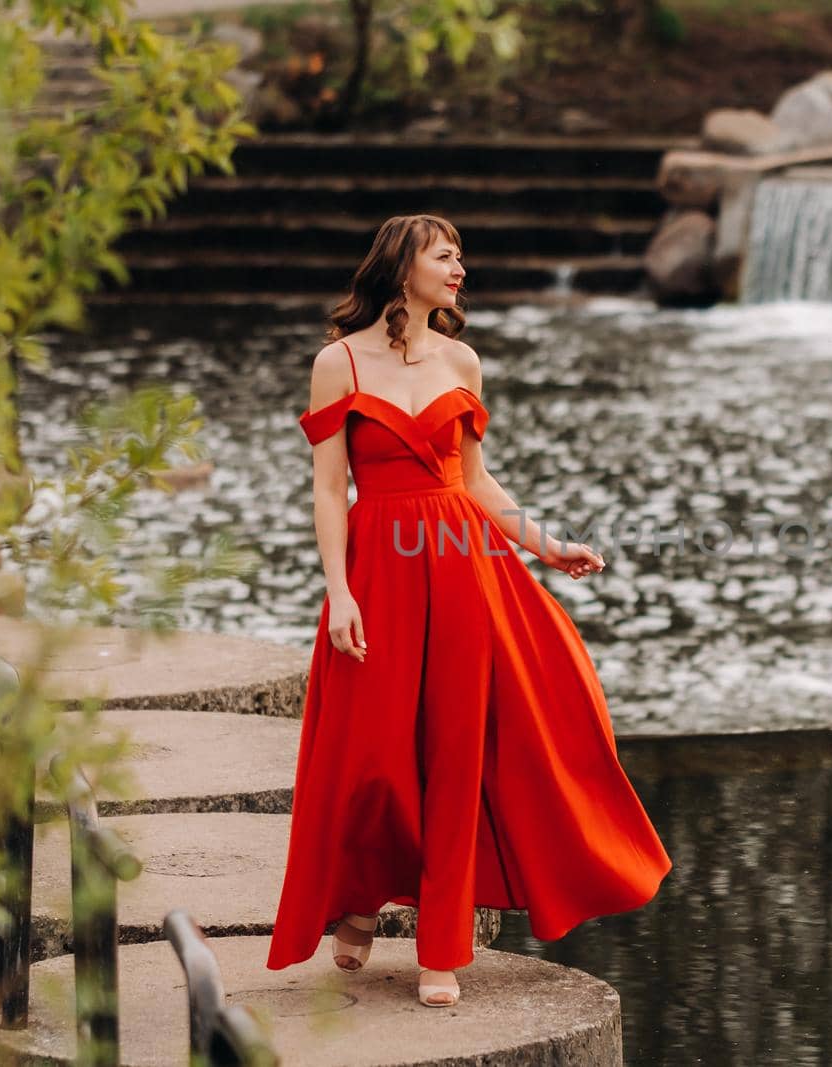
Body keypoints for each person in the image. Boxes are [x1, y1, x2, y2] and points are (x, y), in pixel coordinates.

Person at [264, 214, 673, 1008]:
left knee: (457, 754)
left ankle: (441, 944)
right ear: (403, 264)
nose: (459, 269)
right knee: (375, 757)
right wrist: (338, 589)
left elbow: (476, 480)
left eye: (460, 258)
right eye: (446, 256)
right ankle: (358, 898)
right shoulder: (337, 362)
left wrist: (547, 545)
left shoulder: (463, 359)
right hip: (378, 569)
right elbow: (327, 489)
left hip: (464, 571)